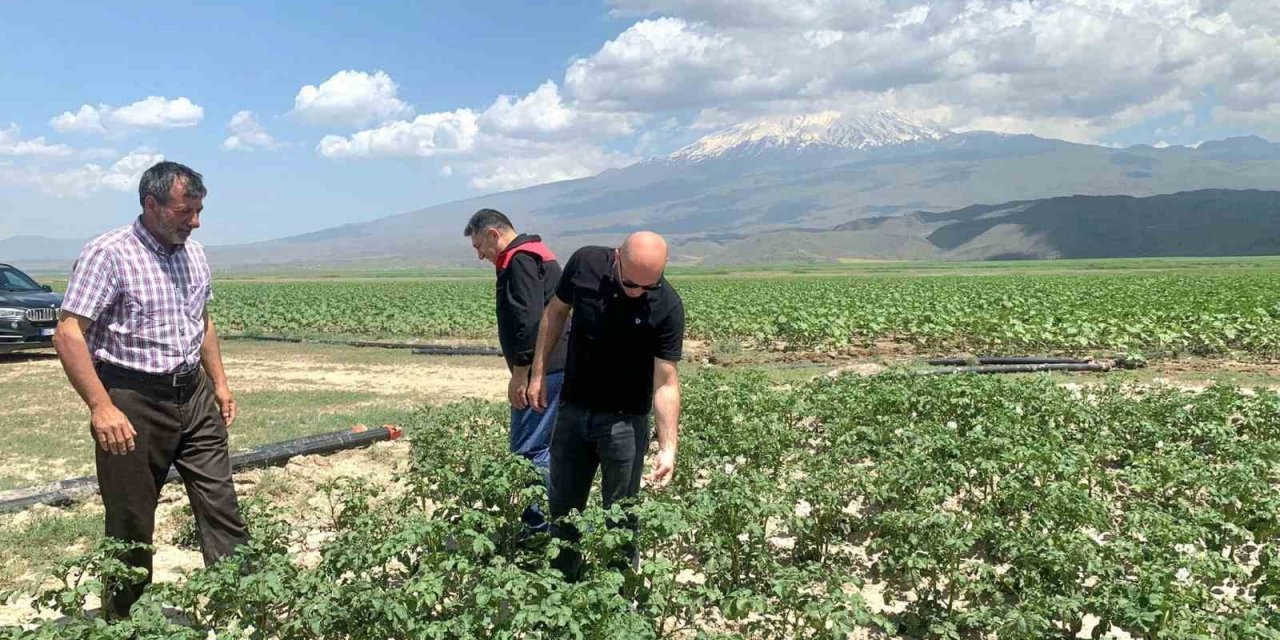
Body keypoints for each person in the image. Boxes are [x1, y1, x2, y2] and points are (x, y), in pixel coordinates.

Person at [53, 161, 248, 619]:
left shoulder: (194, 254)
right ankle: (124, 620)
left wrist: (219, 384)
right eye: (186, 211)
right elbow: (68, 333)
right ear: (151, 204)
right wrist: (101, 407)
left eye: (199, 211)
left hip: (193, 394)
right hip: (132, 399)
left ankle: (244, 602)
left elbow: (201, 322)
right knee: (131, 519)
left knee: (221, 502)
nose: (195, 221)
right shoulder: (109, 253)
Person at [527, 231, 684, 581]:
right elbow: (555, 313)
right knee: (563, 511)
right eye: (630, 283)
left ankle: (619, 601)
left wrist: (668, 448)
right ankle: (562, 588)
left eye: (648, 286)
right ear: (616, 257)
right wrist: (538, 373)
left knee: (622, 516)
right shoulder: (584, 263)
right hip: (572, 411)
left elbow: (666, 382)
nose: (636, 293)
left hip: (624, 423)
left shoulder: (667, 306)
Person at [463, 208, 569, 537]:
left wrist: (522, 373)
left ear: (494, 234)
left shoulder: (519, 259)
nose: (480, 255)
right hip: (557, 365)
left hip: (543, 370)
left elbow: (528, 320)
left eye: (480, 246)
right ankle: (557, 523)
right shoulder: (539, 253)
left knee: (529, 449)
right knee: (547, 449)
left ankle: (536, 530)